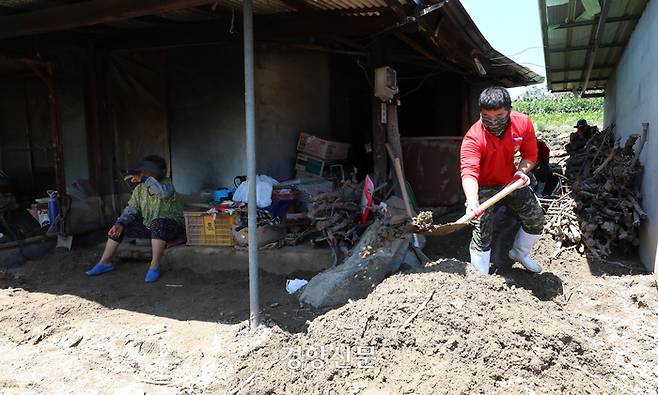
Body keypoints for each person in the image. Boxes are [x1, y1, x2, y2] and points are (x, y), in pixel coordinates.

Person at [460, 86, 545, 275]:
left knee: (536, 217)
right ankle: (480, 277)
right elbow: (469, 172)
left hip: (511, 181)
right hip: (483, 186)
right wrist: (473, 201)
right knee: (482, 229)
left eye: (498, 116)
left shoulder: (522, 123)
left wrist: (521, 172)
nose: (492, 121)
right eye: (486, 116)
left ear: (509, 110)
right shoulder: (473, 138)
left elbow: (530, 154)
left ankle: (519, 253)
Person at [85, 155, 185, 283]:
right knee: (120, 227)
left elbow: (162, 193)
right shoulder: (139, 189)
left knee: (158, 223)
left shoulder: (167, 184)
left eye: (147, 172)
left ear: (158, 173)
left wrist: (144, 179)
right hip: (151, 228)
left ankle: (154, 266)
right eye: (143, 172)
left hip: (172, 227)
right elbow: (131, 209)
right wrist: (120, 223)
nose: (143, 174)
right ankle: (105, 262)